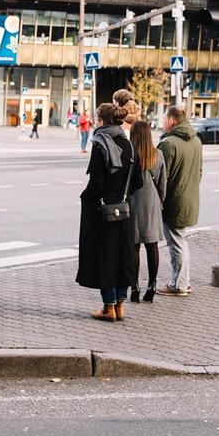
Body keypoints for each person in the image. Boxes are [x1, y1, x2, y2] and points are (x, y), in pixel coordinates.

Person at [77, 102, 143, 321]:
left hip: (103, 209)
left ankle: (108, 307)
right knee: (122, 256)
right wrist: (123, 196)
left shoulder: (100, 144)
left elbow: (96, 183)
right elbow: (138, 181)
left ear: (102, 120)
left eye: (97, 118)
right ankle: (121, 306)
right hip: (124, 210)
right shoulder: (130, 145)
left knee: (105, 256)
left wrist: (86, 197)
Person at [155, 106, 203, 297]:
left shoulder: (168, 144)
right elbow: (198, 172)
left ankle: (179, 284)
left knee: (176, 243)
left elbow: (160, 176)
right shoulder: (197, 141)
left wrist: (159, 199)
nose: (163, 122)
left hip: (174, 200)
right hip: (189, 197)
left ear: (172, 121)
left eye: (165, 119)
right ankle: (184, 281)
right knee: (180, 241)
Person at [128, 120, 166, 303]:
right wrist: (160, 202)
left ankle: (134, 285)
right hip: (152, 204)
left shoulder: (130, 155)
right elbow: (163, 184)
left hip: (133, 204)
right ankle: (152, 285)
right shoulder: (158, 155)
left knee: (134, 247)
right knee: (152, 247)